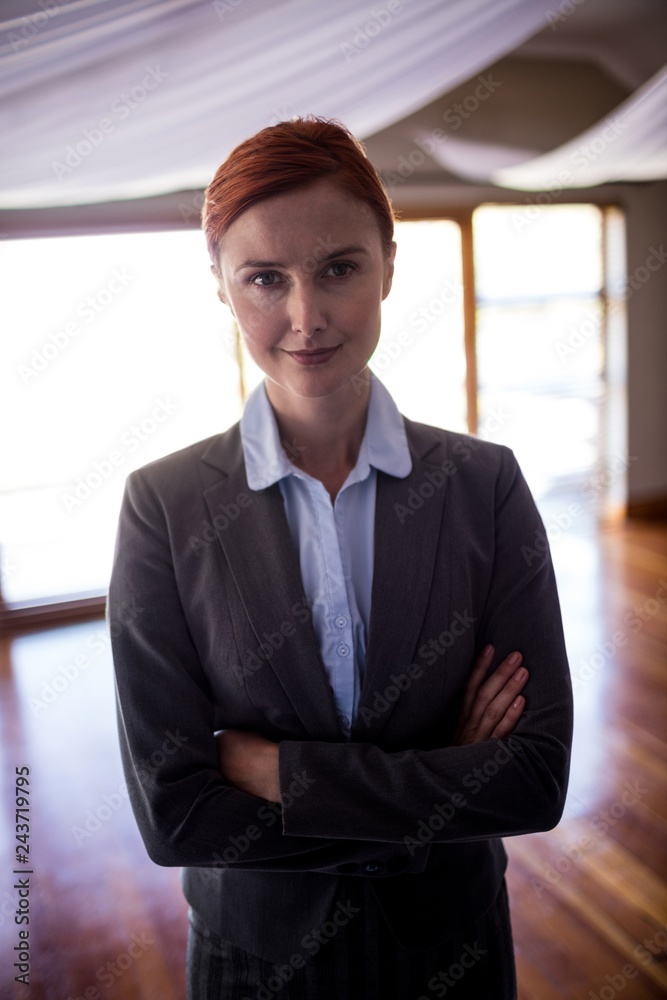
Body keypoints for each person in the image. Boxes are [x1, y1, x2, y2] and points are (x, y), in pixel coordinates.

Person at [109, 116, 573, 999]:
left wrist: (278, 774)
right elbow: (176, 817)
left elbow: (532, 783)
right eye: (264, 279)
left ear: (388, 266)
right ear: (221, 289)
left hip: (451, 943)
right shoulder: (161, 505)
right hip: (253, 955)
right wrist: (440, 778)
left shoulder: (484, 484)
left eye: (338, 269)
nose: (305, 317)